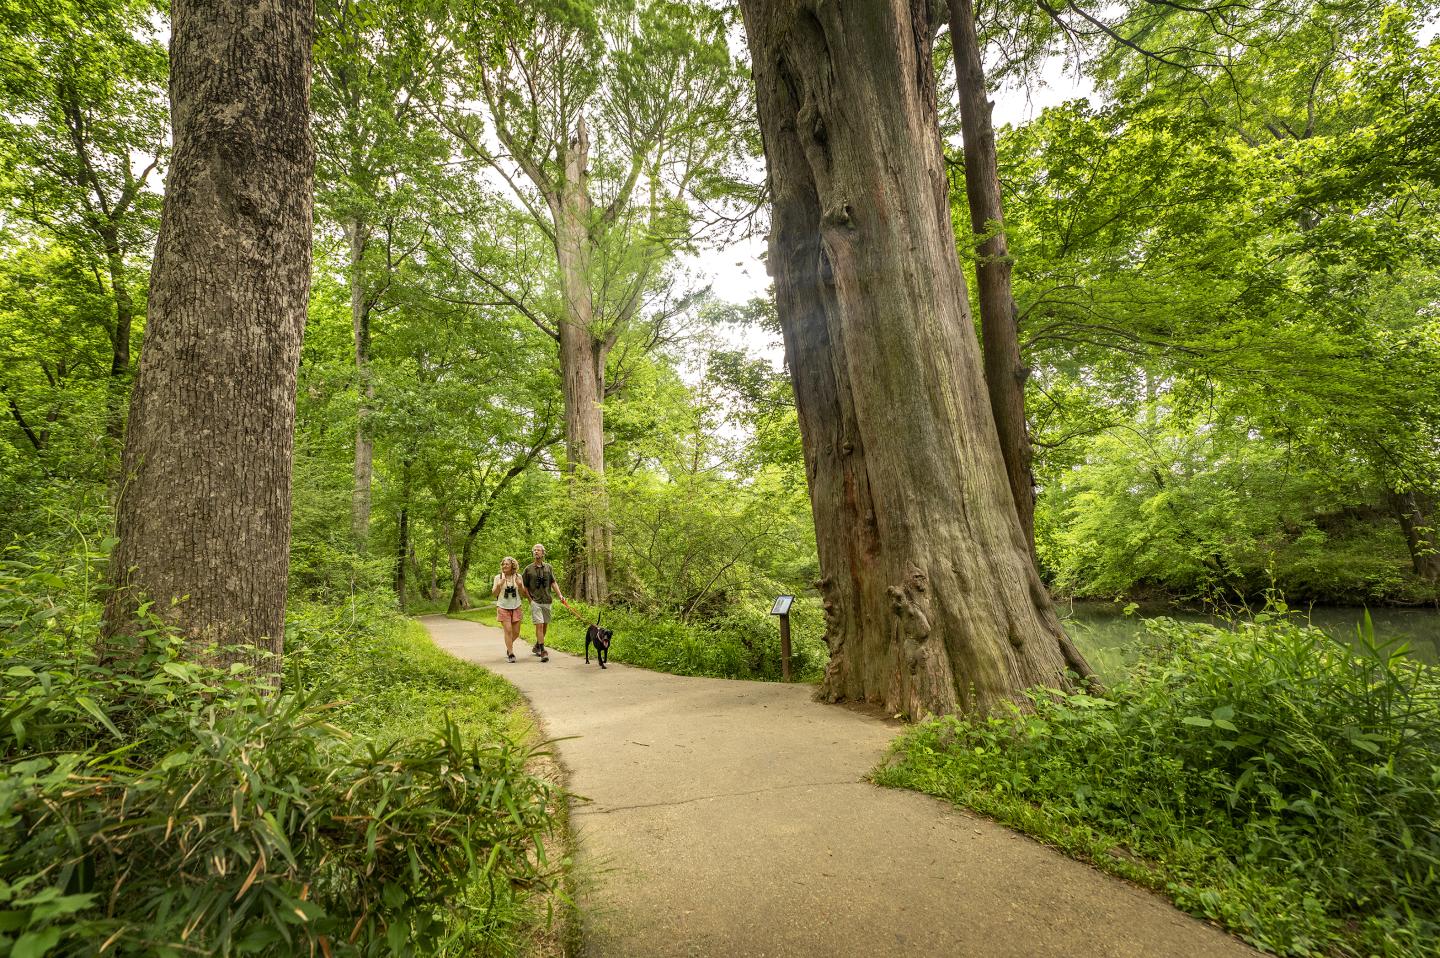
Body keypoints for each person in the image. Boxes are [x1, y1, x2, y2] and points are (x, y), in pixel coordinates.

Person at [522, 543, 563, 663]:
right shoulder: (528, 569)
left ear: (543, 553)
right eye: (534, 550)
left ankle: (537, 646)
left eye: (538, 550)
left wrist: (560, 595)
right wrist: (530, 599)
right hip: (535, 601)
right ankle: (543, 651)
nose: (536, 552)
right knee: (539, 624)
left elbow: (553, 583)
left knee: (545, 625)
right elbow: (524, 586)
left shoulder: (548, 567)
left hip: (547, 600)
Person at [491, 556, 529, 663]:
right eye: (503, 564)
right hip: (503, 606)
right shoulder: (498, 577)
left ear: (513, 565)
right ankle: (511, 654)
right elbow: (494, 594)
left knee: (516, 632)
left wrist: (520, 585)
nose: (504, 566)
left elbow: (523, 594)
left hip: (516, 606)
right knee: (508, 630)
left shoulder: (518, 577)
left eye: (507, 564)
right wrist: (499, 585)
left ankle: (508, 647)